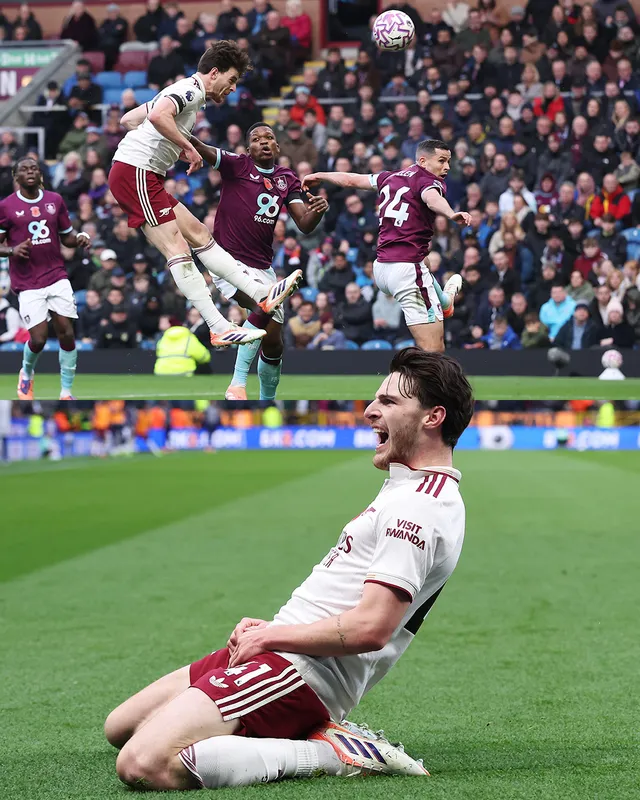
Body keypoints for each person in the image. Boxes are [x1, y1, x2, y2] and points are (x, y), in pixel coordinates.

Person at [104, 348, 474, 790]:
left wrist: (270, 636)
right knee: (121, 726)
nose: (370, 411)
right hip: (283, 647)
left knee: (143, 763)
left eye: (389, 402)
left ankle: (332, 753)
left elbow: (372, 628)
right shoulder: (410, 487)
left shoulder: (420, 506)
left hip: (305, 672)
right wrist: (269, 632)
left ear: (433, 417)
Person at [108, 41, 300, 351]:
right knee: (178, 250)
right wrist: (184, 146)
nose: (233, 88)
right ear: (214, 73)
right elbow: (158, 117)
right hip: (136, 172)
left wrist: (161, 137)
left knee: (200, 234)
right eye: (232, 79)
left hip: (144, 174)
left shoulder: (183, 93)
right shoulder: (191, 90)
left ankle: (260, 293)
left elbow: (129, 119)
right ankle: (218, 326)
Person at [187, 123, 328, 400]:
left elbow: (305, 224)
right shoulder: (236, 165)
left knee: (274, 341)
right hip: (226, 260)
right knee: (262, 305)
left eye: (269, 138)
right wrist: (173, 126)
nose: (264, 142)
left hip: (263, 267)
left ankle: (266, 401)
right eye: (256, 139)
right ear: (248, 148)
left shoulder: (286, 178)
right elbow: (201, 147)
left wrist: (318, 211)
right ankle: (237, 385)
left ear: (277, 146)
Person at [303, 140, 471, 351]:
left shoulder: (389, 176)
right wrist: (450, 213)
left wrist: (320, 175)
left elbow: (351, 180)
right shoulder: (428, 181)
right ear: (422, 161)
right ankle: (401, 382)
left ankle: (445, 302)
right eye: (442, 161)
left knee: (425, 258)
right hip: (407, 271)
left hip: (381, 269)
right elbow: (431, 198)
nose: (446, 167)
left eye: (448, 161)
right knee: (434, 352)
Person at [0, 157, 91, 400]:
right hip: (27, 281)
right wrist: (12, 250)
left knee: (67, 333)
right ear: (16, 177)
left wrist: (80, 237)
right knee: (38, 339)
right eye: (23, 169)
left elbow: (67, 237)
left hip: (56, 275)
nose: (29, 172)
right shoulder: (6, 206)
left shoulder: (55, 200)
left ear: (40, 174)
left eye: (33, 168)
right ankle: (27, 372)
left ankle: (66, 392)